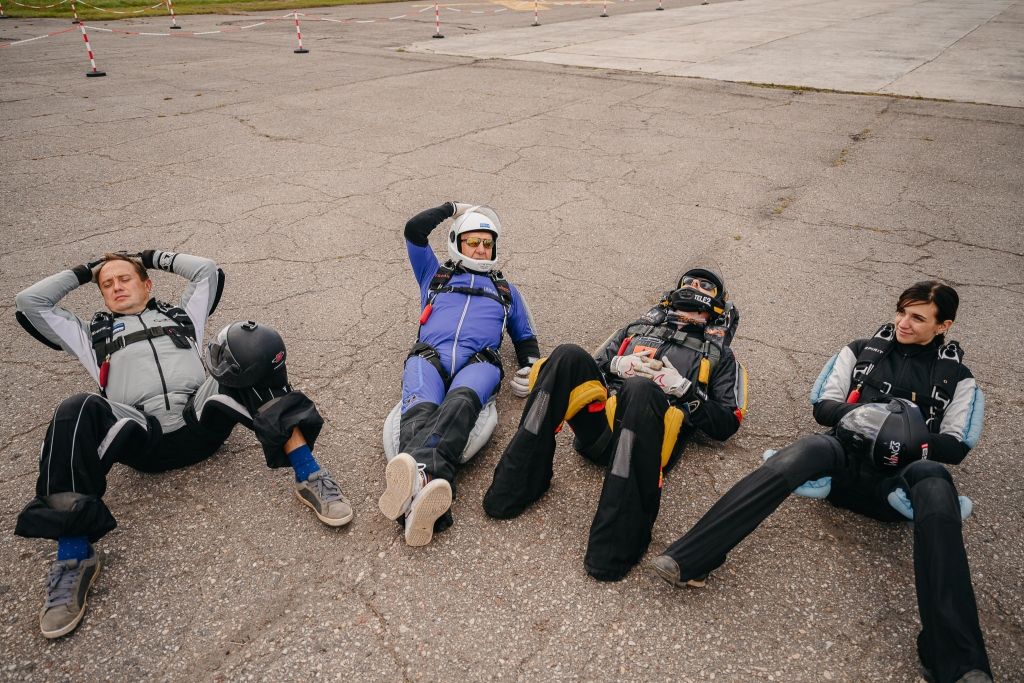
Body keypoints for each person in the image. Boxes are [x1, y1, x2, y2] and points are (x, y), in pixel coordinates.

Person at [650, 281, 991, 683]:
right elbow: (823, 407)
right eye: (901, 311)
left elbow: (955, 446)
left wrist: (899, 436)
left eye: (918, 318)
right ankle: (689, 558)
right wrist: (869, 424)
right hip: (842, 464)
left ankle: (957, 658)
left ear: (943, 325)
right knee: (809, 446)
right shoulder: (861, 351)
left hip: (900, 485)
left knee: (937, 482)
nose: (903, 322)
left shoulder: (960, 379)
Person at [14, 250, 352, 639]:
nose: (115, 286)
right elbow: (30, 302)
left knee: (250, 345)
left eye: (124, 278)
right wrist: (85, 271)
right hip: (143, 434)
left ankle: (311, 475)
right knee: (75, 408)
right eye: (107, 284)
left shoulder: (182, 317)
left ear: (147, 284)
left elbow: (206, 270)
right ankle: (74, 556)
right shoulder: (92, 335)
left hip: (200, 418)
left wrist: (147, 256)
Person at [483, 257, 748, 581]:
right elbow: (593, 366)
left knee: (639, 389)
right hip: (599, 431)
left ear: (717, 304)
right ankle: (517, 485)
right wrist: (618, 365)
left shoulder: (720, 355)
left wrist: (682, 388)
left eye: (705, 285)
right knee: (566, 355)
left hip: (646, 440)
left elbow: (728, 421)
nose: (695, 287)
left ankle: (614, 548)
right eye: (690, 281)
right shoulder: (636, 330)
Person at [377, 202, 540, 547]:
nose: (481, 249)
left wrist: (531, 367)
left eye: (487, 243)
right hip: (427, 359)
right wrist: (452, 207)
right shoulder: (434, 275)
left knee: (461, 402)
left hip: (479, 364)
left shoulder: (506, 290)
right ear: (457, 241)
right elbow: (414, 230)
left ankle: (413, 488)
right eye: (473, 241)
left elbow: (525, 338)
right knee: (420, 410)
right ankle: (431, 494)